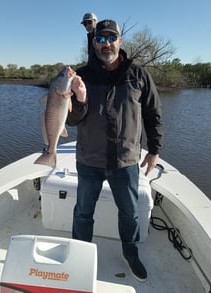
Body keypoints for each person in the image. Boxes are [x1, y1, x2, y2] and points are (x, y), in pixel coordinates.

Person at [67, 19, 163, 282]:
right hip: (89, 159)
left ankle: (130, 253)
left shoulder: (139, 75)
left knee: (130, 212)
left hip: (126, 160)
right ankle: (79, 254)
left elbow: (153, 114)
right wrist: (81, 99)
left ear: (120, 41)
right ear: (94, 43)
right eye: (100, 39)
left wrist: (154, 150)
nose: (106, 43)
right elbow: (71, 121)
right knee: (83, 212)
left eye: (111, 38)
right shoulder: (81, 76)